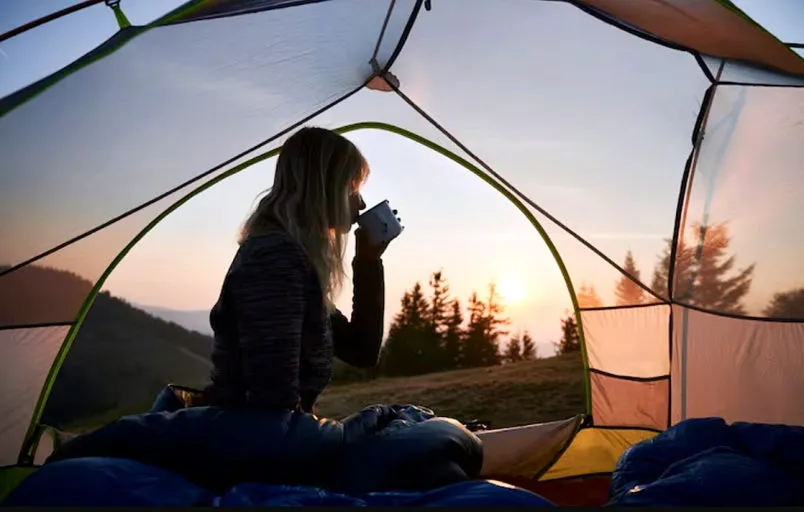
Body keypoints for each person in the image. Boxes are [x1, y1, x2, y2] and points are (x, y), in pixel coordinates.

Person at [203, 127, 392, 414]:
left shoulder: (296, 259)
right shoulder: (275, 261)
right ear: (322, 187)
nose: (362, 202)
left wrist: (367, 262)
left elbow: (361, 350)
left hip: (277, 435)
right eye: (352, 188)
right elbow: (272, 408)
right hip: (251, 444)